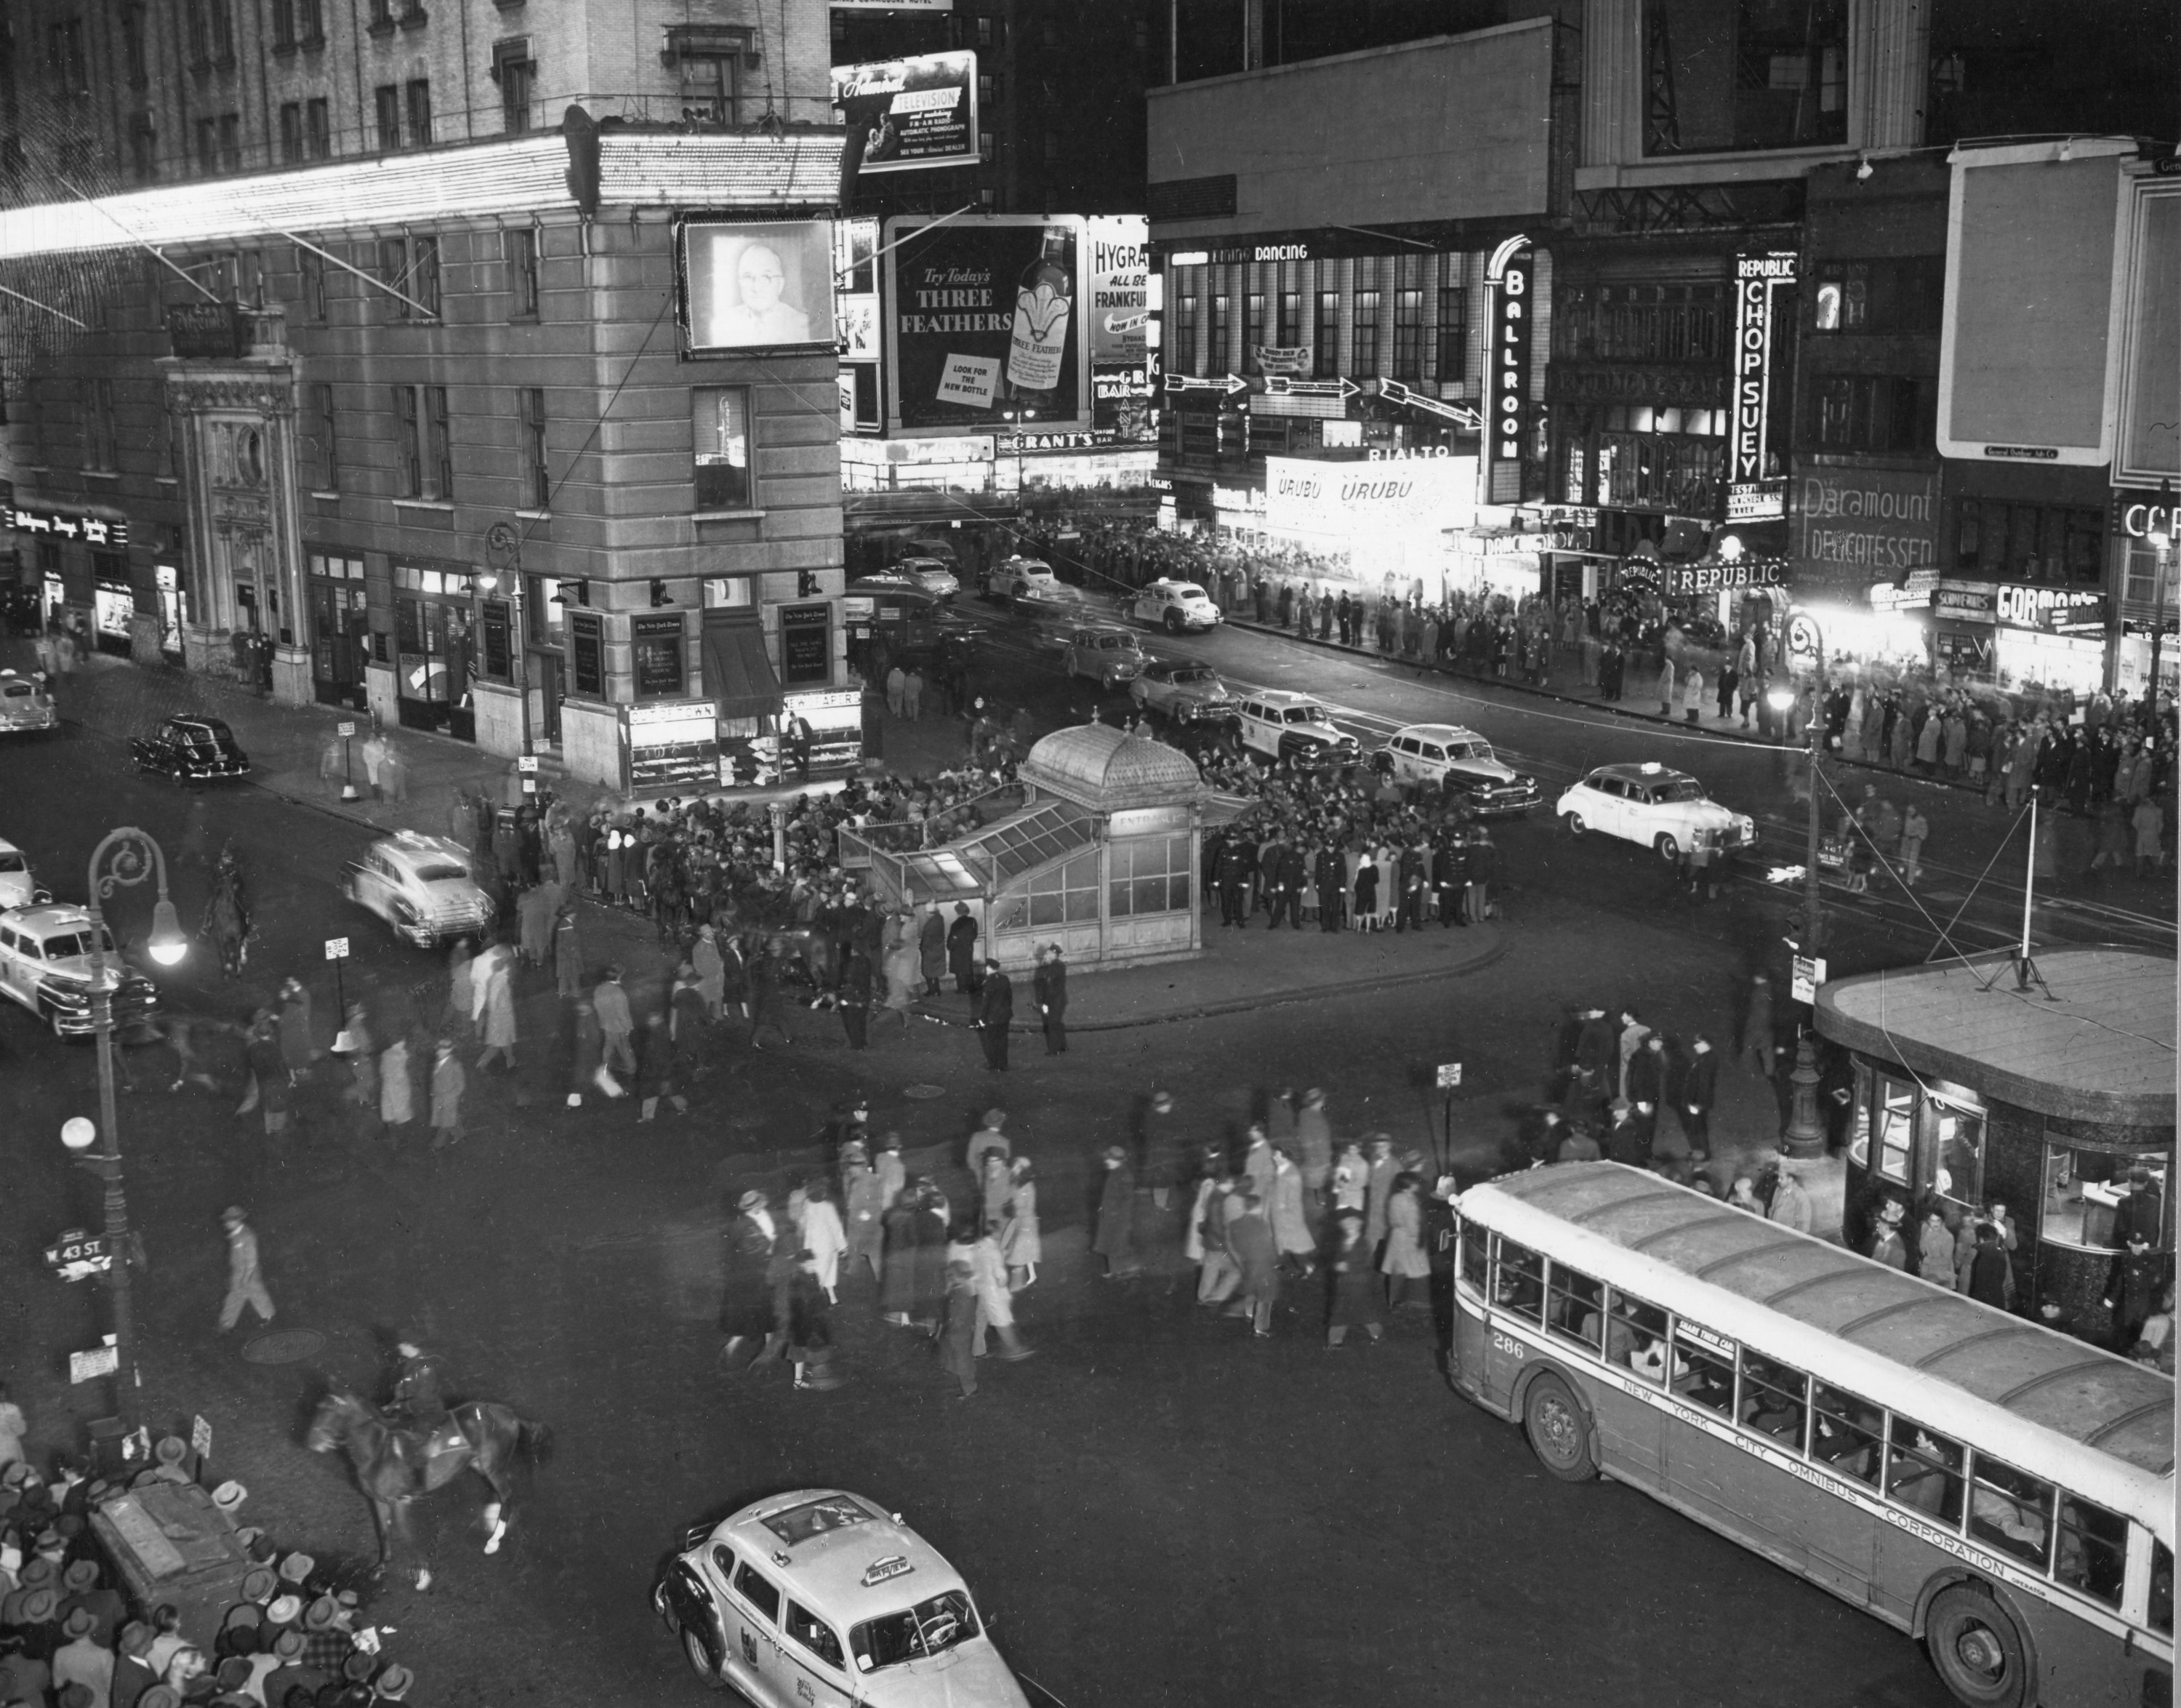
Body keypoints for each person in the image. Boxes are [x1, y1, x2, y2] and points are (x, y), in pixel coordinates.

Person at [1323, 1211, 1384, 1348]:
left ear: (1357, 1228)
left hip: (1359, 1284)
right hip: (1345, 1284)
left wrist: (1348, 1266)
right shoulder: (1343, 1242)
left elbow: (1366, 1263)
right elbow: (1337, 1259)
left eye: (1352, 1227)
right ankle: (1335, 1341)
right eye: (1347, 1227)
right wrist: (1338, 1266)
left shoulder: (1363, 1244)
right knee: (1340, 1313)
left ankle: (1377, 1334)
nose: (1349, 1230)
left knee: (1365, 1312)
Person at [1224, 1191, 1279, 1338]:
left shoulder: (1235, 1223)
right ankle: (1260, 1328)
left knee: (1253, 1289)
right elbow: (1268, 1247)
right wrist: (1274, 1261)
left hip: (1245, 1261)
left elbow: (1232, 1245)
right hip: (1262, 1263)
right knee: (1266, 1296)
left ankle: (1249, 1313)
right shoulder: (1261, 1225)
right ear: (1258, 1207)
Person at [218, 1206, 275, 1334]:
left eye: (229, 1220)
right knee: (235, 1297)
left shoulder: (247, 1236)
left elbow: (251, 1260)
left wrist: (246, 1277)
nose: (226, 1223)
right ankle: (226, 1325)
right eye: (226, 1220)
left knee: (257, 1295)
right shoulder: (236, 1235)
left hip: (249, 1273)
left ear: (237, 1221)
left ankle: (269, 1319)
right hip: (238, 1273)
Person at [1380, 1173, 1431, 1308]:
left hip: (1397, 1237)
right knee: (1416, 1269)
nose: (1417, 1185)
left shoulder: (1395, 1198)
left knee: (1398, 1270)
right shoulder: (1409, 1201)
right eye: (1415, 1183)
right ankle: (1417, 1299)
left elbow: (1392, 1219)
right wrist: (1419, 1235)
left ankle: (1393, 1300)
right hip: (1409, 1239)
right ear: (1410, 1185)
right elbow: (1413, 1224)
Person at [1093, 1146, 1139, 1278]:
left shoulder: (1124, 1175)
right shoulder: (1115, 1172)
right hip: (1110, 1215)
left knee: (1118, 1243)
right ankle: (1115, 1269)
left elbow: (1128, 1200)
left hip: (1119, 1217)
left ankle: (1128, 1268)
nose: (1106, 1161)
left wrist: (1120, 1217)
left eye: (1108, 1159)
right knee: (1112, 1243)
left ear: (1116, 1160)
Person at [1679, 1034, 1716, 1161]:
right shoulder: (1703, 1058)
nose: (1695, 1046)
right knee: (1697, 1127)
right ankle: (1700, 1152)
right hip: (1696, 1101)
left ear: (1706, 1044)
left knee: (1699, 1128)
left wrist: (1698, 1104)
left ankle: (1703, 1154)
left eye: (1698, 1044)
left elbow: (1704, 1084)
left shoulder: (1707, 1060)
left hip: (1698, 1102)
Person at [593, 967, 635, 1076]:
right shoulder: (618, 992)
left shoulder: (599, 989)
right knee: (625, 1048)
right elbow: (622, 1014)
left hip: (607, 1025)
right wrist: (628, 1027)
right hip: (619, 1027)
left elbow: (597, 1007)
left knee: (608, 1046)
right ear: (618, 977)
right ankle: (631, 1069)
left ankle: (605, 1067)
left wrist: (602, 1023)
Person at [427, 1038, 465, 1152]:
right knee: (451, 1117)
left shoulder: (455, 1064)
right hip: (439, 1097)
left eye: (440, 1050)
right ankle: (460, 1135)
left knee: (445, 1123)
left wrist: (450, 1096)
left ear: (448, 1051)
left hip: (449, 1099)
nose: (437, 1052)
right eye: (438, 1049)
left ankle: (437, 1146)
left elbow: (461, 1085)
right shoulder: (438, 1062)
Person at [975, 958, 1012, 1072]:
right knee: (1003, 1040)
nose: (985, 969)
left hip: (992, 1017)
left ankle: (994, 1064)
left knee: (992, 1041)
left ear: (990, 968)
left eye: (986, 967)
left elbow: (986, 1002)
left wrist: (982, 1018)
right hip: (1005, 1015)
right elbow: (1010, 998)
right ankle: (1003, 1064)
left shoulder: (988, 982)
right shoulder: (1005, 979)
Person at [1032, 944, 1067, 1056]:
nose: (1045, 956)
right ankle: (1063, 1045)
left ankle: (1054, 1050)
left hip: (1054, 1001)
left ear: (1053, 955)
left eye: (1047, 954)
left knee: (1052, 1025)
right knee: (1058, 1023)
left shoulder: (1053, 968)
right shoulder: (1059, 965)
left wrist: (1046, 1004)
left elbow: (1051, 987)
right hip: (1061, 1000)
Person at [1767, 1165, 1813, 1233]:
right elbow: (1772, 1210)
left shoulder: (1801, 1196)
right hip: (1773, 1232)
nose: (1778, 1180)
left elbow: (1803, 1224)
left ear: (1791, 1179)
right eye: (1778, 1177)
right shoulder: (1779, 1190)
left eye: (1782, 1178)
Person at [947, 903, 980, 995]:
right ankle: (971, 988)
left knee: (959, 970)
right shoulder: (972, 920)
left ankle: (962, 989)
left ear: (957, 912)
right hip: (968, 948)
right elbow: (974, 934)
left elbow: (953, 938)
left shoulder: (955, 924)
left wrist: (950, 946)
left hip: (957, 950)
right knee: (968, 968)